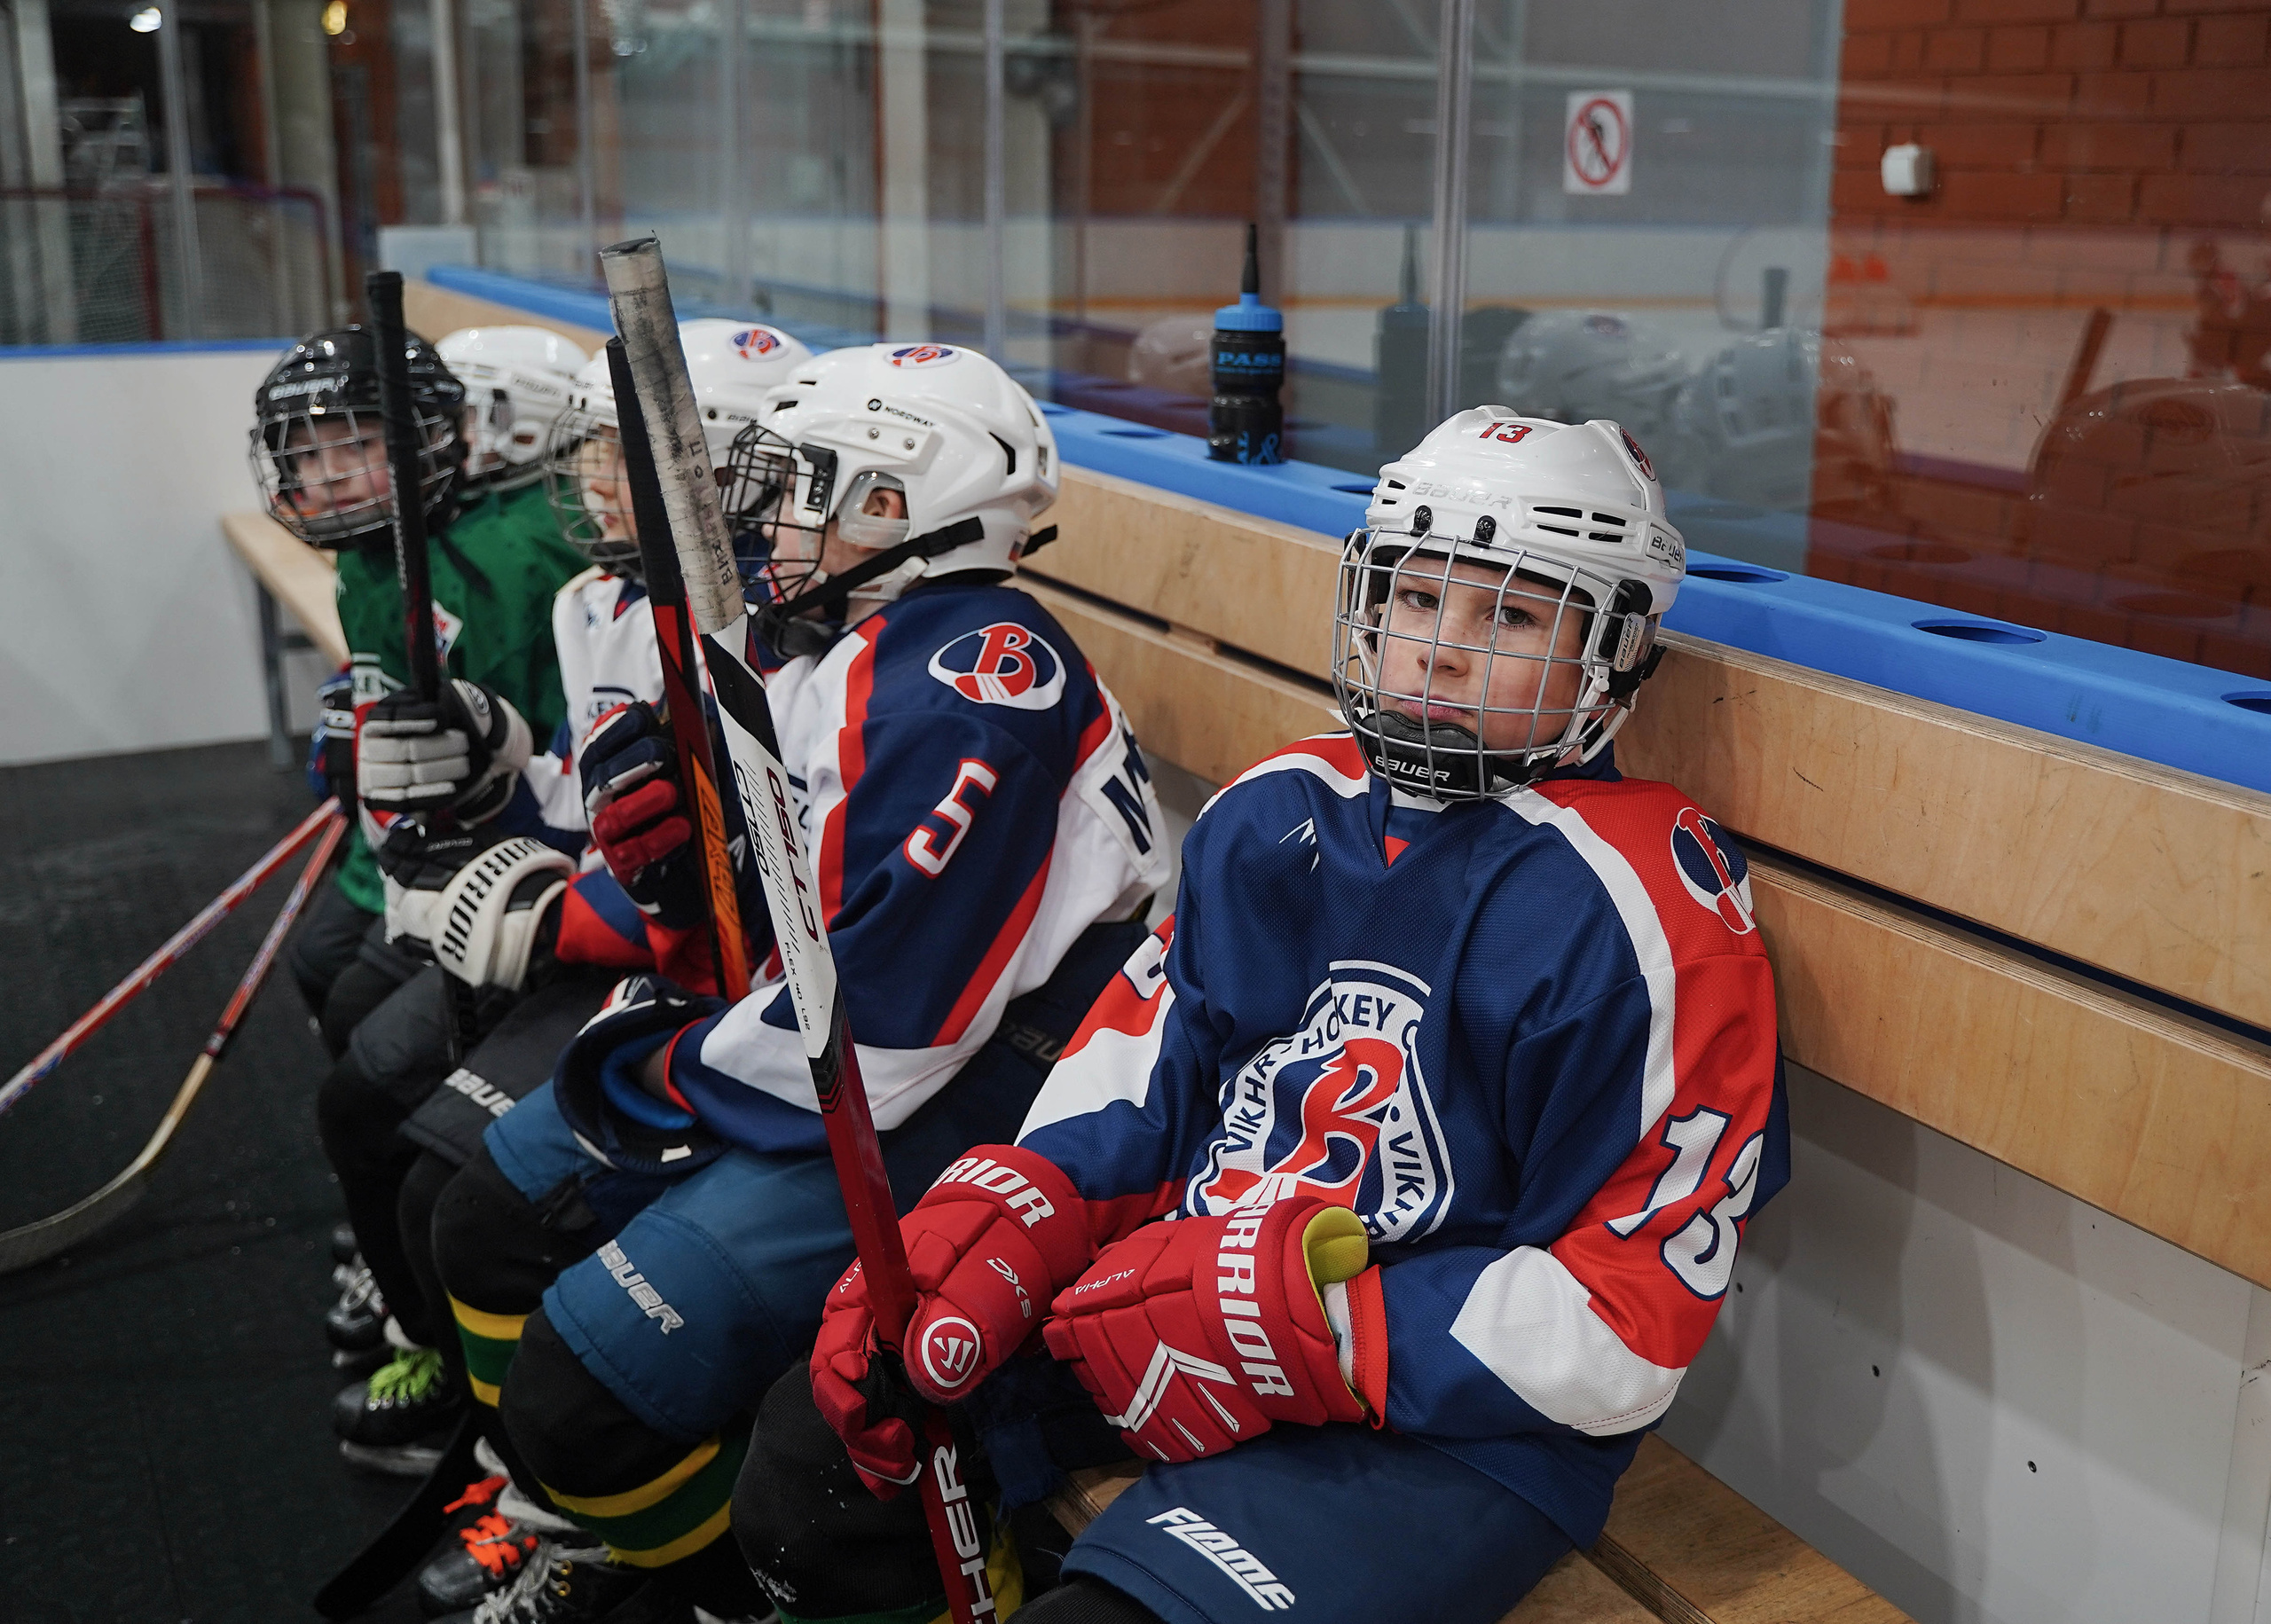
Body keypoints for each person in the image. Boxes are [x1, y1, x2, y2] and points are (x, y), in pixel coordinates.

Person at [734, 408, 1788, 1624]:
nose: (1438, 649)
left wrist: (1325, 1324)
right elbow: (1139, 1083)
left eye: (1508, 614)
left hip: (1452, 1418)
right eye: (1415, 597)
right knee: (824, 1440)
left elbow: (1627, 1320)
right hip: (1173, 1301)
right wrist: (1021, 1207)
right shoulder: (1275, 806)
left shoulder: (1656, 909)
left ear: (1612, 650)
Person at [427, 341, 1171, 1622]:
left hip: (991, 1100)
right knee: (484, 1214)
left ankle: (713, 1574)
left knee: (598, 1391)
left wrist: (667, 1064)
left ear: (898, 508)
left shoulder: (964, 679)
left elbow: (883, 1025)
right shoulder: (834, 635)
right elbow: (783, 910)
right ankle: (646, 1543)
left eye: (800, 483)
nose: (758, 513)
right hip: (848, 1068)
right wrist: (659, 865)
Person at [320, 322, 817, 1484]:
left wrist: (559, 916)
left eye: (620, 451)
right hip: (628, 948)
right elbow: (575, 792)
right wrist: (494, 763)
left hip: (699, 987)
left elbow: (747, 904)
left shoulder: (772, 641)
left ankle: (544, 1469)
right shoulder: (598, 601)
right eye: (590, 444)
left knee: (454, 1191)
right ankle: (499, 1431)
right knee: (383, 1110)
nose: (591, 475)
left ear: (730, 467)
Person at [251, 324, 593, 1366]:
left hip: (529, 868)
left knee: (360, 1039)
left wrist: (484, 757)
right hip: (440, 851)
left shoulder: (534, 552)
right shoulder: (377, 553)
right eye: (305, 454)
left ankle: (428, 1312)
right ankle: (393, 1238)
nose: (321, 475)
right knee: (328, 976)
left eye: (349, 445)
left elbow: (553, 753)